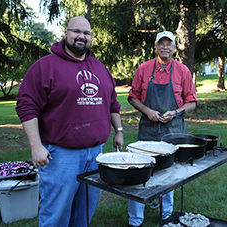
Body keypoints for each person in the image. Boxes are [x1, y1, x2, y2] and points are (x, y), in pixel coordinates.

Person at [15, 16, 124, 227]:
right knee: (56, 214)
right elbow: (26, 106)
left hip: (95, 154)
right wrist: (36, 146)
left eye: (87, 33)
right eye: (76, 31)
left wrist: (118, 130)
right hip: (61, 156)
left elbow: (113, 103)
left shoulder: (100, 68)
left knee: (85, 212)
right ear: (65, 33)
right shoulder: (45, 67)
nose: (82, 36)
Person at [127, 31, 198, 227]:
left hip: (173, 131)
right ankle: (135, 219)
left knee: (170, 172)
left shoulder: (183, 71)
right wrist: (147, 110)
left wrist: (175, 112)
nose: (165, 47)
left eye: (169, 44)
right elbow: (132, 97)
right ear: (156, 46)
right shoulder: (143, 69)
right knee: (140, 171)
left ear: (174, 48)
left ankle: (166, 215)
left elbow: (191, 102)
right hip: (148, 130)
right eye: (161, 44)